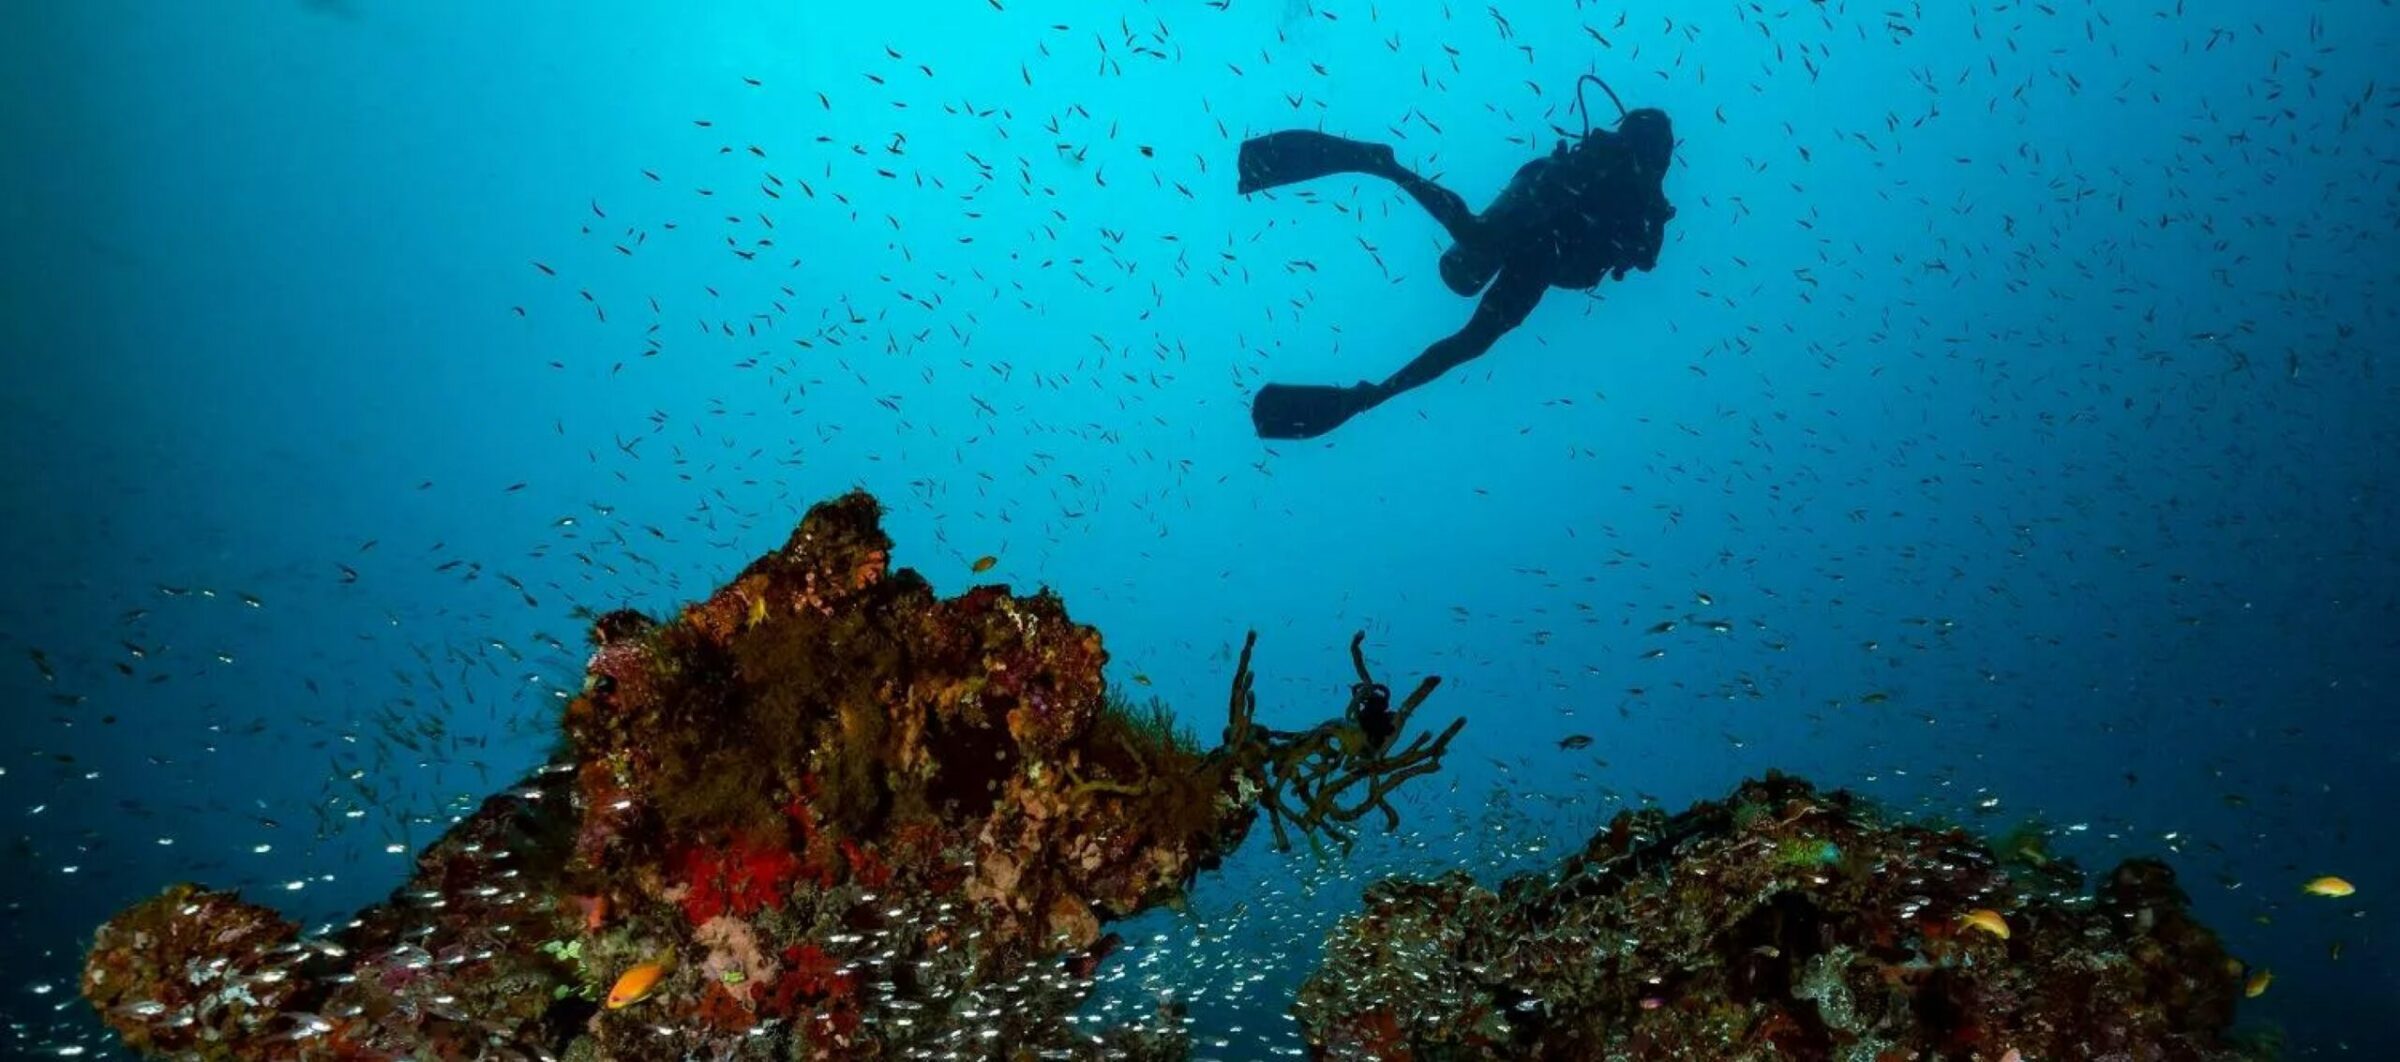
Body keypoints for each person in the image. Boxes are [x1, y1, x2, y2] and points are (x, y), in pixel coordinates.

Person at [1235, 77, 1677, 439]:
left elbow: (1644, 256)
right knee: (1472, 246)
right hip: (1546, 217)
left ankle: (1370, 396)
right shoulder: (1614, 167)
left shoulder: (1645, 196)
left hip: (1546, 257)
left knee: (1475, 339)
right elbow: (1637, 251)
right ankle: (1382, 164)